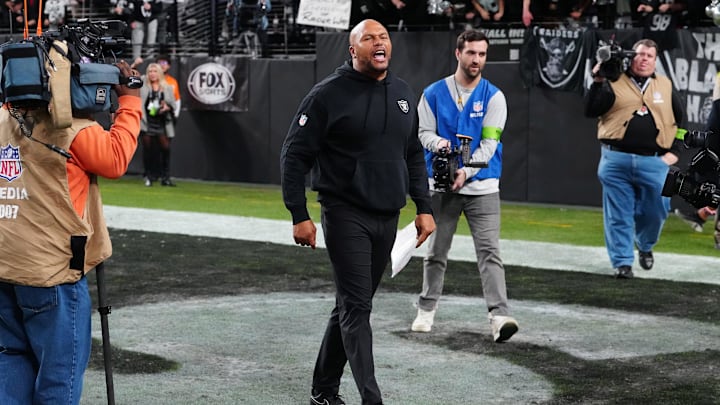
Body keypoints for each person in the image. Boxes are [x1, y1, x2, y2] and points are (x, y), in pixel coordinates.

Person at [280, 19, 436, 405]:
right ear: (353, 50)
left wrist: (424, 207)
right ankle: (372, 398)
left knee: (351, 304)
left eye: (383, 37)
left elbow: (414, 154)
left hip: (388, 216)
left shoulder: (402, 93)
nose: (378, 42)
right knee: (357, 306)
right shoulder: (326, 95)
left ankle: (323, 391)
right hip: (344, 212)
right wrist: (299, 214)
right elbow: (294, 155)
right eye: (368, 38)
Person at [0, 60, 141, 404]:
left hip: (6, 264)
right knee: (58, 377)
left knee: (10, 359)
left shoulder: (3, 121)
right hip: (53, 271)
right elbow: (117, 158)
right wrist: (131, 101)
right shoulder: (74, 129)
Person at [410, 29, 519, 344]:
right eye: (471, 53)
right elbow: (423, 133)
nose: (477, 60)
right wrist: (440, 144)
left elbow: (489, 144)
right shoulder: (432, 93)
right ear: (458, 53)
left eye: (482, 54)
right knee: (435, 252)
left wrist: (467, 172)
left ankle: (500, 317)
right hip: (441, 187)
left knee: (490, 253)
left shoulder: (495, 97)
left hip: (483, 188)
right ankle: (426, 309)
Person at [585, 38, 685, 279]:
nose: (644, 59)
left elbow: (681, 122)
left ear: (655, 60)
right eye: (640, 54)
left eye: (649, 56)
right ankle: (622, 263)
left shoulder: (666, 85)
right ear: (632, 56)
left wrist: (675, 152)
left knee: (657, 210)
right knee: (618, 213)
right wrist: (597, 81)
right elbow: (590, 110)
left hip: (654, 161)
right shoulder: (613, 80)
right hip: (615, 159)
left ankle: (645, 244)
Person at [140, 62, 177, 186]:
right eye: (150, 71)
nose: (152, 74)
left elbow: (174, 105)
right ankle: (148, 176)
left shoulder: (167, 87)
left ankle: (165, 177)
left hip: (162, 122)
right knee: (148, 150)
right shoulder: (143, 86)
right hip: (147, 121)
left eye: (155, 71)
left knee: (165, 149)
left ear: (160, 73)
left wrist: (167, 107)